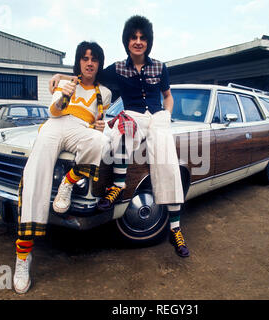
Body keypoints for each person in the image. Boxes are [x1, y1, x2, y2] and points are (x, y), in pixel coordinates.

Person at [49, 16, 189, 258]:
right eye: (133, 37)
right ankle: (118, 185)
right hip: (134, 114)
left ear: (148, 41)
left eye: (142, 38)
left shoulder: (160, 66)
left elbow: (168, 95)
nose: (137, 41)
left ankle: (175, 230)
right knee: (122, 129)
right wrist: (60, 78)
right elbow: (88, 74)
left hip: (158, 117)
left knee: (168, 162)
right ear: (126, 41)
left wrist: (167, 113)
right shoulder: (117, 68)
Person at [13, 41, 112, 294]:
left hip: (81, 129)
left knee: (101, 141)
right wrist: (64, 94)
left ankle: (68, 182)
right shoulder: (66, 84)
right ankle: (23, 256)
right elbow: (54, 112)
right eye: (85, 58)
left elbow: (99, 121)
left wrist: (100, 127)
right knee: (35, 176)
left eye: (94, 59)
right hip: (55, 125)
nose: (89, 63)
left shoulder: (106, 93)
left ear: (99, 64)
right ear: (79, 61)